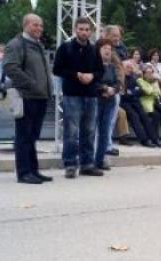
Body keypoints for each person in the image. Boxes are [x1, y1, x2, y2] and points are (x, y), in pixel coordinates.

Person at [53, 16, 104, 179]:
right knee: (71, 132)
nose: (84, 32)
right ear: (75, 30)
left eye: (87, 29)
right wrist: (77, 75)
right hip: (72, 95)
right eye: (81, 29)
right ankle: (70, 164)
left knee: (89, 131)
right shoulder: (65, 48)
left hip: (90, 95)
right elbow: (57, 70)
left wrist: (92, 76)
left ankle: (87, 164)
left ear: (91, 31)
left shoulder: (94, 50)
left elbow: (100, 71)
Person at [4, 14, 53, 184]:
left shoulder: (37, 45)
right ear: (25, 25)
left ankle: (33, 170)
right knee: (24, 136)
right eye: (35, 25)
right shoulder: (16, 44)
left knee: (32, 136)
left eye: (40, 25)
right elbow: (11, 68)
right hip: (26, 96)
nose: (39, 28)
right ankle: (24, 173)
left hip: (40, 97)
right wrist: (31, 85)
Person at [94, 38, 122, 170]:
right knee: (91, 131)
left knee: (105, 132)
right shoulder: (93, 65)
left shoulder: (111, 67)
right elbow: (93, 82)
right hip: (96, 101)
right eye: (105, 48)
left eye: (110, 49)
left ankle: (100, 160)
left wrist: (113, 90)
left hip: (109, 101)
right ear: (98, 50)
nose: (107, 51)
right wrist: (105, 89)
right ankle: (90, 159)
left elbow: (118, 83)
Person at [100, 24, 126, 156]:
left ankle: (107, 145)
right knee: (105, 121)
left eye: (119, 35)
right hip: (106, 90)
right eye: (115, 35)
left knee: (110, 120)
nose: (118, 38)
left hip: (116, 89)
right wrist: (106, 88)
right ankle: (104, 146)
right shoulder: (103, 49)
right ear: (106, 35)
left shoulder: (118, 50)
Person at [120, 60, 158, 147]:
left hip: (135, 101)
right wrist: (133, 91)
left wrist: (131, 92)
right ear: (122, 68)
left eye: (130, 67)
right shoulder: (121, 78)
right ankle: (144, 140)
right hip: (124, 102)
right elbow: (123, 93)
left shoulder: (133, 78)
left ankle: (154, 139)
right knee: (135, 117)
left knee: (144, 116)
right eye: (127, 67)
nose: (129, 69)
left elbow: (140, 91)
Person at [137, 63, 161, 146]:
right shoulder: (140, 80)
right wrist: (153, 90)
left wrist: (153, 90)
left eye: (151, 73)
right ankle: (155, 139)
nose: (150, 75)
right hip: (146, 103)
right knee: (156, 115)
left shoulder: (154, 81)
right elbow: (148, 91)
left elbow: (159, 93)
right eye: (148, 73)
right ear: (143, 74)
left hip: (155, 102)